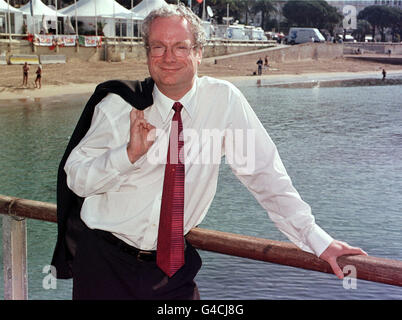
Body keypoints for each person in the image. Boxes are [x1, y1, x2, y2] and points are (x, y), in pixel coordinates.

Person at [51, 3, 366, 300]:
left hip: (172, 272)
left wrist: (317, 241)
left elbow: (265, 176)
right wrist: (128, 154)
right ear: (147, 53)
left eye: (181, 47)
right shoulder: (119, 105)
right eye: (158, 46)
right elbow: (77, 180)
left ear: (199, 52)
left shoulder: (223, 102)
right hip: (103, 264)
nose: (168, 57)